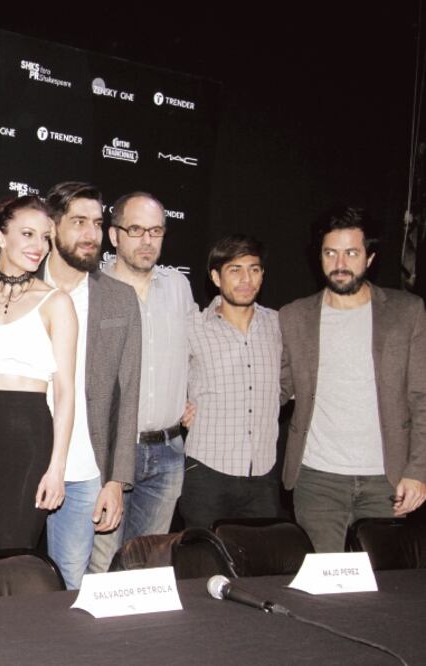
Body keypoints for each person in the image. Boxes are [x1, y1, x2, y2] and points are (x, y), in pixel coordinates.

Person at [280, 207, 426, 551]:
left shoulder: (407, 312)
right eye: (330, 253)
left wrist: (418, 470)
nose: (340, 263)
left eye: (351, 253)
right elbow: (277, 387)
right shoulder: (294, 316)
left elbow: (422, 397)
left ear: (370, 258)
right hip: (317, 480)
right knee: (324, 580)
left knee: (381, 581)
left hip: (386, 480)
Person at [0, 196, 76, 551]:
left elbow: (65, 392)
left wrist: (57, 468)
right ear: (0, 237)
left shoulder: (57, 302)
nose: (39, 246)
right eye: (27, 234)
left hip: (29, 440)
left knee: (14, 551)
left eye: (45, 237)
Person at [89, 191, 196, 573]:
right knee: (101, 567)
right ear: (114, 235)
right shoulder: (93, 288)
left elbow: (198, 347)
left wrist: (195, 396)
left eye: (155, 231)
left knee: (147, 567)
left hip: (167, 452)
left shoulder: (179, 287)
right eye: (135, 230)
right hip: (108, 453)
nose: (147, 240)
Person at [40, 182, 140, 588]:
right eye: (79, 222)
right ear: (52, 227)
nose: (91, 234)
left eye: (97, 224)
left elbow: (128, 397)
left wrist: (115, 481)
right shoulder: (14, 288)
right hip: (22, 464)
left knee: (71, 585)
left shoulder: (120, 299)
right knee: (8, 583)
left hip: (84, 470)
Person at [179, 234, 281, 529]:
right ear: (216, 277)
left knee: (260, 557)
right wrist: (177, 407)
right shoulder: (192, 326)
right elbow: (160, 374)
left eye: (254, 269)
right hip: (207, 472)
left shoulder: (279, 325)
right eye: (235, 270)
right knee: (203, 556)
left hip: (263, 475)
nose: (246, 279)